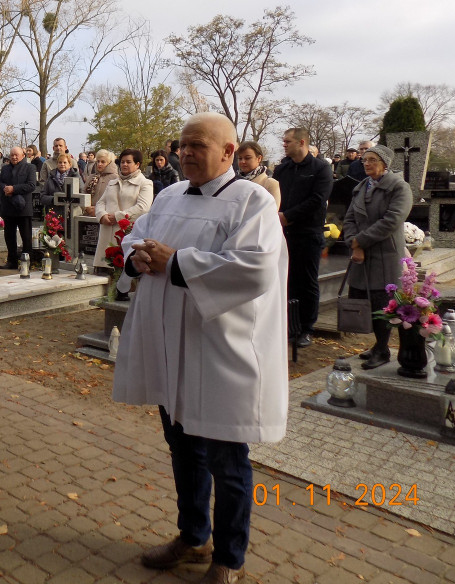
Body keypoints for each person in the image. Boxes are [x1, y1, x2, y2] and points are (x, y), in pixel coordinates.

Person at [114, 113, 287, 584]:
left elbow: (253, 269)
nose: (185, 152)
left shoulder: (252, 203)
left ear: (229, 151)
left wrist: (175, 264)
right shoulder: (168, 195)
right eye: (182, 145)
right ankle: (194, 536)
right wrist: (137, 256)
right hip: (172, 343)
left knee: (227, 461)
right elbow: (135, 237)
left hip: (220, 352)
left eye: (198, 145)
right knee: (182, 448)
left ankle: (229, 557)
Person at [341, 145, 413, 369]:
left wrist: (360, 241)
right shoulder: (361, 187)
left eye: (372, 159)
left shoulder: (399, 187)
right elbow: (349, 218)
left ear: (385, 163)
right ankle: (377, 345)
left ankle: (383, 349)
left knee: (385, 304)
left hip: (385, 255)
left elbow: (392, 221)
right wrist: (353, 241)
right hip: (362, 255)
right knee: (367, 300)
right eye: (365, 160)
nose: (366, 164)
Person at [273, 127, 333, 348]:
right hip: (284, 234)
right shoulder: (282, 169)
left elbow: (318, 200)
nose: (284, 145)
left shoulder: (321, 169)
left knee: (306, 282)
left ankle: (306, 328)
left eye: (288, 141)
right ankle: (289, 326)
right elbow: (277, 196)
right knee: (286, 281)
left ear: (302, 142)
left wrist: (288, 216)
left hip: (307, 233)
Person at [93, 148, 153, 271]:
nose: (124, 164)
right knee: (103, 273)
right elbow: (101, 202)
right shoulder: (112, 183)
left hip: (127, 234)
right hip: (106, 233)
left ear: (137, 164)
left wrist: (118, 217)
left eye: (128, 162)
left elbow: (143, 207)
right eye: (122, 162)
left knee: (122, 276)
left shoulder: (145, 183)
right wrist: (102, 215)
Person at [0, 146, 37, 270]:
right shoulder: (5, 168)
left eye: (16, 155)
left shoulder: (30, 168)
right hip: (8, 208)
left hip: (23, 208)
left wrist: (13, 189)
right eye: (12, 155)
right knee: (9, 237)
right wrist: (5, 188)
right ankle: (12, 261)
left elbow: (31, 185)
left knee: (26, 237)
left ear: (23, 155)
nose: (14, 157)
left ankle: (27, 262)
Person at [236, 141, 280, 209]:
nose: (243, 161)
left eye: (247, 158)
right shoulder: (234, 182)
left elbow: (273, 211)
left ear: (259, 158)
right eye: (240, 158)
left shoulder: (270, 184)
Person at [83, 148, 118, 216]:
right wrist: (86, 207)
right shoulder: (91, 177)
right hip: (89, 214)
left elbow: (115, 199)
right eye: (98, 161)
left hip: (106, 215)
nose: (99, 164)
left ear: (109, 163)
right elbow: (84, 192)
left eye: (103, 162)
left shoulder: (115, 178)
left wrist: (99, 210)